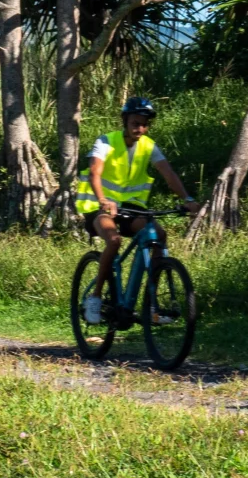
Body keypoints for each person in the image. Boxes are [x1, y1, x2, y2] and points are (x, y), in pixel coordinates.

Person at [76, 97, 199, 325]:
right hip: (98, 205)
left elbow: (169, 174)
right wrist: (103, 200)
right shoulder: (106, 142)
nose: (140, 128)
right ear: (125, 121)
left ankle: (150, 303)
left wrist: (188, 199)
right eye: (135, 123)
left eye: (144, 124)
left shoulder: (149, 146)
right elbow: (95, 173)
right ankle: (94, 299)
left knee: (158, 236)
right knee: (113, 241)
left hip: (131, 208)